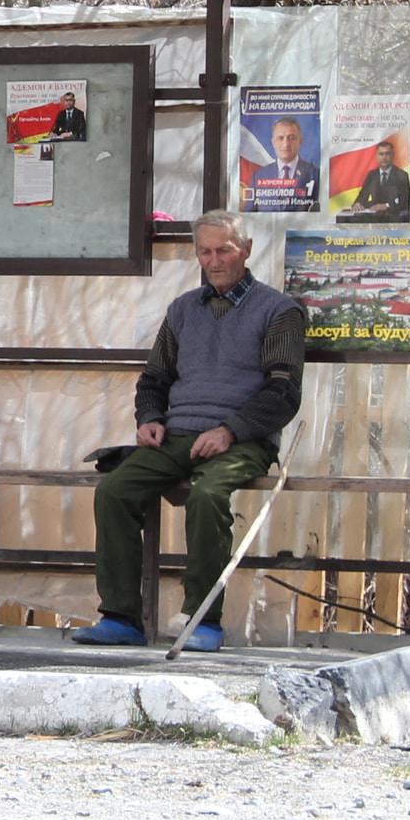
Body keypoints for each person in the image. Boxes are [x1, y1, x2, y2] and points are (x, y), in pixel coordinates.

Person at [72, 209, 304, 652]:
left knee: (207, 494)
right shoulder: (181, 310)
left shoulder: (279, 311)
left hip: (245, 439)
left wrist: (230, 430)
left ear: (247, 250)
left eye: (224, 250)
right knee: (114, 491)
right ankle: (121, 618)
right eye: (205, 252)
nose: (214, 261)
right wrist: (149, 419)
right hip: (177, 434)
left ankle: (203, 621)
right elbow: (153, 380)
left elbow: (283, 392)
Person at [254, 116, 319, 208]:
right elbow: (249, 213)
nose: (286, 144)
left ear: (300, 141)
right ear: (273, 142)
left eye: (291, 138)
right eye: (280, 138)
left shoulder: (315, 175)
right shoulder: (258, 176)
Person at [351, 141, 410, 222]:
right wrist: (357, 204)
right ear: (376, 156)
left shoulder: (402, 175)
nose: (384, 157)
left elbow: (405, 202)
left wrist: (386, 206)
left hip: (394, 221)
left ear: (393, 155)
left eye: (387, 154)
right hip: (373, 220)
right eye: (381, 154)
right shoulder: (371, 175)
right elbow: (362, 197)